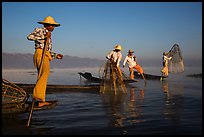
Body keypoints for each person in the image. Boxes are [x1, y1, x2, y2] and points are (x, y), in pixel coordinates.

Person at [27, 16, 63, 107]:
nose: (53, 27)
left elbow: (46, 50)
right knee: (44, 74)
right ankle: (38, 98)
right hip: (40, 54)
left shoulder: (49, 35)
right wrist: (44, 36)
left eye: (54, 26)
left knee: (43, 75)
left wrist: (55, 55)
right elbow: (29, 37)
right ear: (47, 25)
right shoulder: (40, 30)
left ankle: (40, 100)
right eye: (52, 26)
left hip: (45, 55)